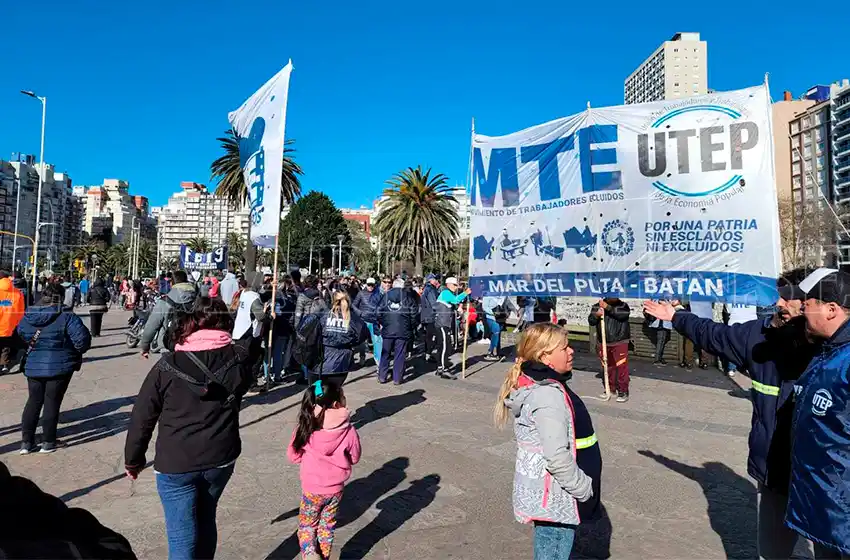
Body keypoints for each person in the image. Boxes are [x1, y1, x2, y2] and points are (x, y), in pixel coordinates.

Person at [644, 277, 815, 560]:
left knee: (829, 550)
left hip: (820, 476)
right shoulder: (758, 336)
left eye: (789, 299)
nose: (779, 304)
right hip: (773, 470)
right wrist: (676, 316)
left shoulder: (831, 350)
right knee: (772, 553)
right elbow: (714, 333)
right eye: (778, 297)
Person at [124, 298, 253, 560]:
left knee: (181, 534)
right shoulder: (239, 359)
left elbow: (142, 417)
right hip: (221, 456)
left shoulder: (168, 364)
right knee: (206, 520)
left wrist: (133, 460)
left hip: (176, 461)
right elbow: (240, 391)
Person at [494, 322, 601, 559]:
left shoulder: (544, 385)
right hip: (557, 496)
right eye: (564, 348)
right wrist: (582, 488)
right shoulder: (547, 395)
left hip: (550, 494)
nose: (571, 351)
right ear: (546, 357)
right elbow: (556, 455)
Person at [785, 268, 850, 558]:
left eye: (807, 305)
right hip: (827, 508)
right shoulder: (828, 353)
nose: (802, 312)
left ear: (831, 309)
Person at [287, 380, 361, 560]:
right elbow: (355, 457)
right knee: (326, 527)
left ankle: (311, 555)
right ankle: (324, 557)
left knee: (307, 526)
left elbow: (294, 456)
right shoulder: (348, 430)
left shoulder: (306, 426)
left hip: (312, 489)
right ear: (336, 404)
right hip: (335, 491)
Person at [17, 283, 92, 454]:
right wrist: (72, 352)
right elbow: (82, 340)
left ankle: (26, 443)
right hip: (59, 366)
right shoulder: (66, 315)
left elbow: (20, 334)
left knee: (33, 401)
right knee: (52, 402)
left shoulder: (29, 314)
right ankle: (48, 442)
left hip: (34, 365)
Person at [304, 291, 367, 389]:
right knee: (334, 391)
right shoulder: (354, 319)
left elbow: (311, 334)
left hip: (321, 362)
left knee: (317, 391)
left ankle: (319, 402)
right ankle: (330, 402)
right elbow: (362, 335)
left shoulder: (322, 316)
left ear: (332, 301)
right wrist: (349, 343)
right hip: (342, 363)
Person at [376, 278, 419, 385]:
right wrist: (410, 326)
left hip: (388, 329)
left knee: (385, 353)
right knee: (399, 355)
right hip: (403, 330)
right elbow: (414, 314)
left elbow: (378, 312)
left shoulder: (385, 297)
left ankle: (382, 376)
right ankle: (397, 378)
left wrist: (384, 323)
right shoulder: (408, 297)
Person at [588, 297, 631, 402]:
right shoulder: (597, 306)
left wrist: (607, 307)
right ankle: (611, 388)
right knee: (608, 366)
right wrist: (596, 315)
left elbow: (622, 315)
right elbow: (591, 321)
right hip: (603, 342)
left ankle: (623, 391)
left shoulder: (622, 305)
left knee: (621, 367)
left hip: (619, 341)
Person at [232, 272, 268, 392]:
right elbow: (260, 316)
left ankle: (245, 383)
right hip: (249, 333)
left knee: (247, 359)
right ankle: (249, 384)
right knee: (253, 358)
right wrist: (270, 315)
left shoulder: (244, 293)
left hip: (240, 332)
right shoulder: (253, 296)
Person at [433, 277, 470, 379]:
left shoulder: (448, 294)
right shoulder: (445, 292)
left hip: (444, 323)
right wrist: (465, 293)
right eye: (454, 285)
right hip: (442, 323)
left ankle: (440, 368)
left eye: (456, 285)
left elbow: (454, 304)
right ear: (449, 284)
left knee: (442, 346)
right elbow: (455, 300)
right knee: (445, 346)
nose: (456, 287)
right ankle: (444, 369)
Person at [269, 277, 297, 384]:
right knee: (278, 352)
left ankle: (275, 373)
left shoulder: (284, 297)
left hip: (281, 327)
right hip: (280, 327)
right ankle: (276, 374)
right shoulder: (281, 297)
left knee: (278, 352)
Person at [352, 277, 380, 368]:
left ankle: (378, 360)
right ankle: (362, 357)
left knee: (376, 341)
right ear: (366, 284)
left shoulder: (378, 294)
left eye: (372, 285)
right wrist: (359, 313)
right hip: (363, 320)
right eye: (369, 285)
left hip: (374, 321)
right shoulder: (361, 293)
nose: (370, 287)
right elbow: (354, 305)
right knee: (361, 341)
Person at [0, 271, 25, 374]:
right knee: (5, 346)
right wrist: (15, 323)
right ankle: (4, 365)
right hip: (9, 325)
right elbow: (21, 311)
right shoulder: (17, 293)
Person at [482, 295, 517, 360]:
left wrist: (515, 310)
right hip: (491, 318)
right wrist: (493, 313)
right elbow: (485, 307)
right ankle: (492, 353)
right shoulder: (488, 295)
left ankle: (495, 352)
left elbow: (509, 303)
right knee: (496, 333)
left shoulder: (503, 295)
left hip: (501, 318)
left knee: (497, 335)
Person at [645, 299, 676, 365]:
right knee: (661, 341)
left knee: (661, 341)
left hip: (657, 323)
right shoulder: (663, 300)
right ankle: (657, 360)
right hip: (661, 323)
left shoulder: (654, 298)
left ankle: (659, 357)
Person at [420, 274, 441, 362]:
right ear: (431, 280)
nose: (437, 281)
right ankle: (428, 354)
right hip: (430, 316)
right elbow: (434, 304)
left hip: (426, 316)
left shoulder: (427, 289)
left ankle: (427, 354)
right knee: (434, 336)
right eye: (435, 279)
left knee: (429, 336)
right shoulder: (431, 290)